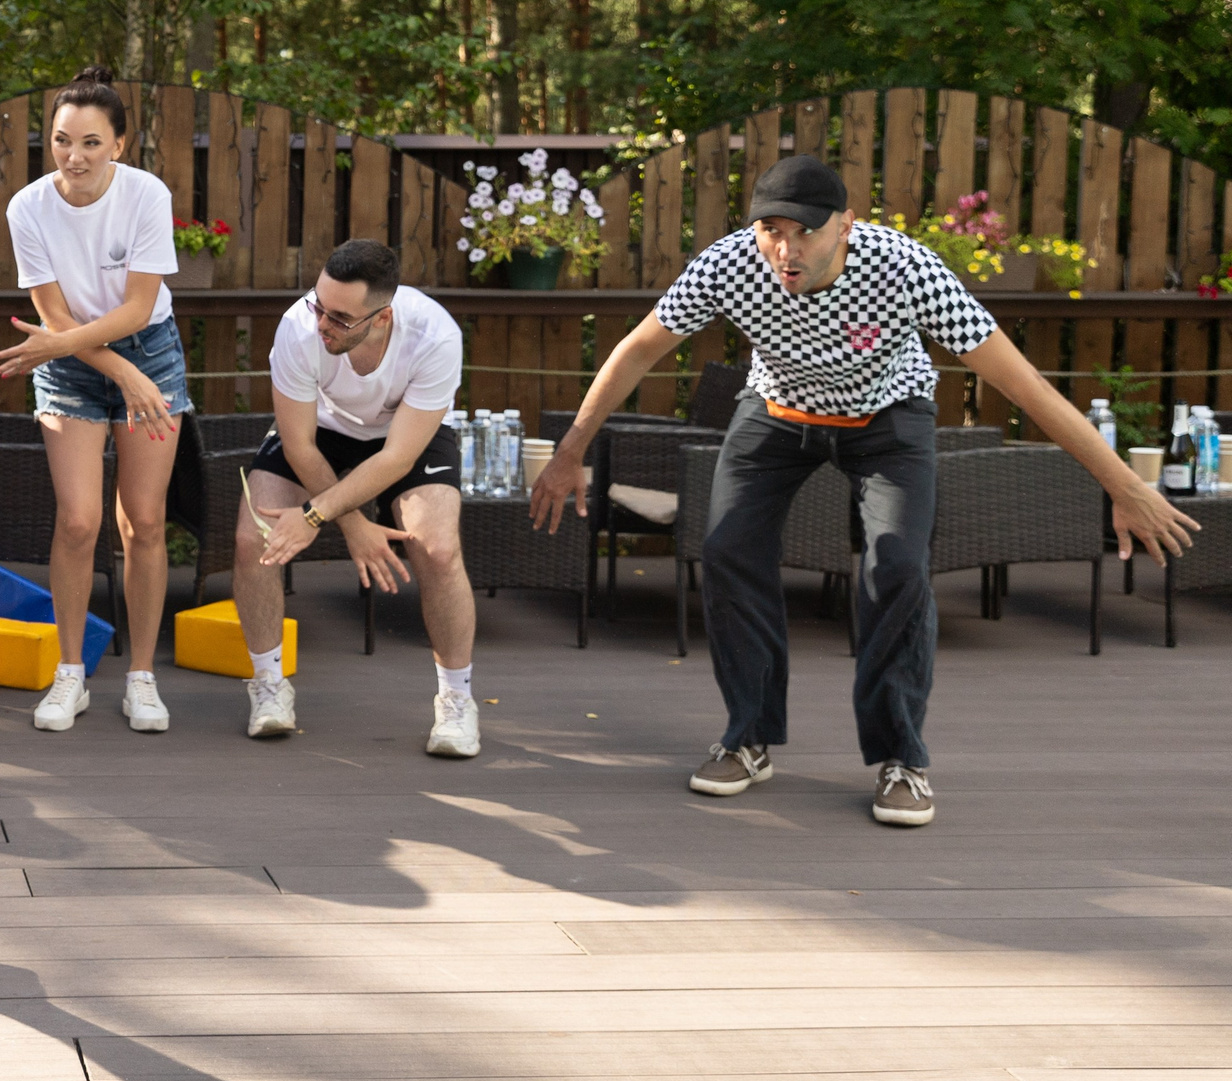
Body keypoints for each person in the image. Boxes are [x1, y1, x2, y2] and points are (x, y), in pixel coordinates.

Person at [531, 154, 1198, 827]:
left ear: (847, 224)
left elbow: (1020, 382)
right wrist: (570, 451)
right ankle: (750, 736)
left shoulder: (904, 268)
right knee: (728, 548)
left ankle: (901, 758)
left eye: (806, 232)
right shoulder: (728, 263)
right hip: (778, 410)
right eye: (771, 230)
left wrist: (1120, 483)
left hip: (887, 417)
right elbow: (640, 347)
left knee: (897, 566)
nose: (785, 251)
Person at [0, 66, 190, 734]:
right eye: (62, 140)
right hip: (70, 363)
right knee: (78, 520)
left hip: (149, 348)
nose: (74, 156)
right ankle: (69, 673)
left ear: (120, 146)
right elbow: (54, 318)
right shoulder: (28, 208)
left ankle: (141, 677)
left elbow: (138, 307)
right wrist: (114, 373)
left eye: (91, 143)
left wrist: (136, 374)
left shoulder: (145, 196)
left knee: (144, 520)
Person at [243, 240, 466, 749]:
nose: (322, 322)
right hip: (320, 430)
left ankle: (457, 700)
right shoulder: (299, 327)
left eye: (340, 318)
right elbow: (298, 444)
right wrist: (351, 524)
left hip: (400, 437)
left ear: (382, 318)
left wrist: (316, 514)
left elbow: (396, 460)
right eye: (318, 304)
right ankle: (268, 687)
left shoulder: (435, 336)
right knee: (253, 535)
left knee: (438, 547)